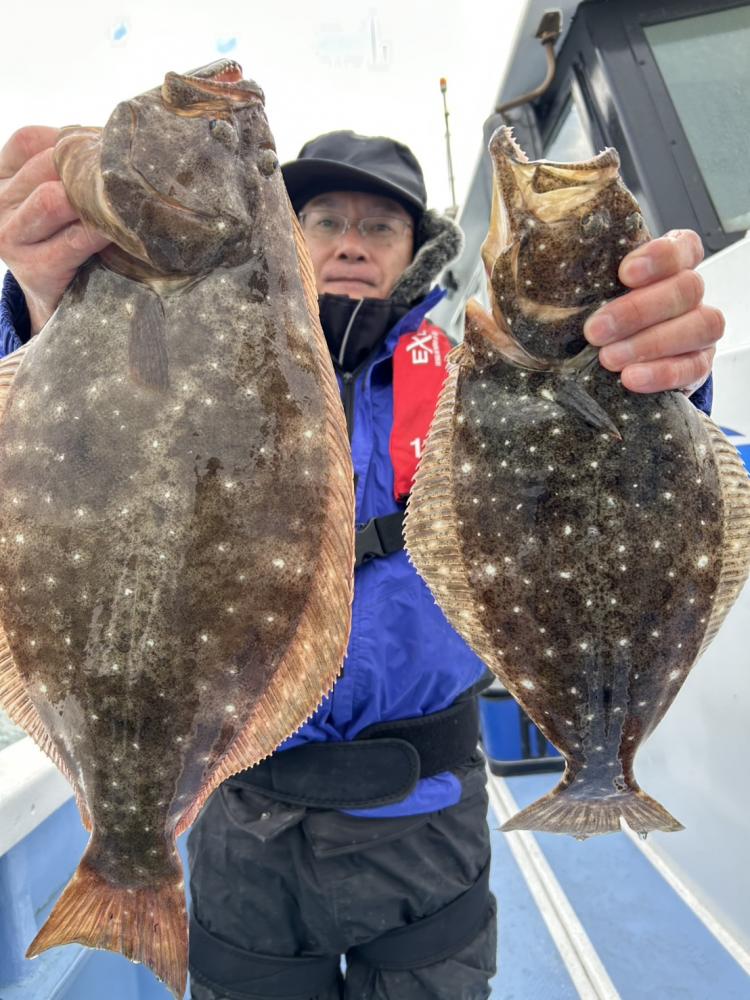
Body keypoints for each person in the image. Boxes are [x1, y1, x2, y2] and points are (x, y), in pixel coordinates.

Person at [0, 126, 722, 1000]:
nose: (351, 242)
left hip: (427, 817)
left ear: (419, 251)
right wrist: (41, 311)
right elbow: (69, 465)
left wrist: (654, 378)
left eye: (380, 226)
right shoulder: (192, 362)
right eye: (327, 219)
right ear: (287, 233)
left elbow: (606, 479)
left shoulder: (475, 378)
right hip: (241, 812)